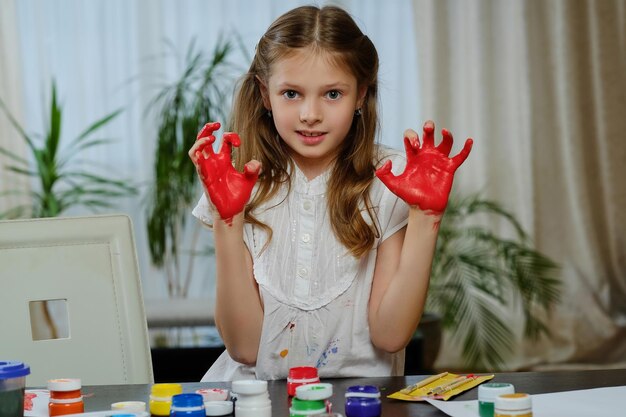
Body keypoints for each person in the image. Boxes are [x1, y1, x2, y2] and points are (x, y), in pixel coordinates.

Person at [188, 5, 472, 381]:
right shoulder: (237, 181)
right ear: (264, 93)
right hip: (254, 399)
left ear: (360, 95)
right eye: (291, 93)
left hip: (360, 399)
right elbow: (244, 347)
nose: (310, 113)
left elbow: (391, 335)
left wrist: (426, 217)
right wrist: (228, 221)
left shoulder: (389, 182)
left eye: (333, 94)